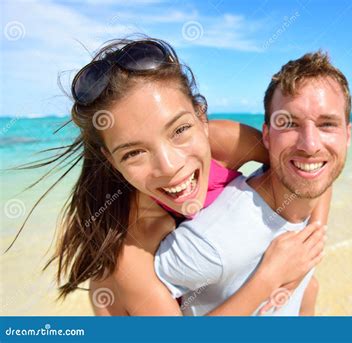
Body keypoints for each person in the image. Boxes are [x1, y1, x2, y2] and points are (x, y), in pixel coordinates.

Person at [11, 38, 328, 316]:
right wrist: (269, 279)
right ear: (111, 162)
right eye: (133, 153)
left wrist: (311, 244)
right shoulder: (132, 245)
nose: (169, 166)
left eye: (179, 130)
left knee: (310, 289)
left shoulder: (225, 142)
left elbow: (316, 163)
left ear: (201, 117)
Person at [154, 50, 352, 316]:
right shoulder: (210, 242)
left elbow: (323, 174)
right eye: (290, 124)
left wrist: (316, 233)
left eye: (327, 125)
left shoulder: (309, 191)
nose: (311, 145)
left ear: (347, 136)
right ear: (267, 136)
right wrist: (267, 280)